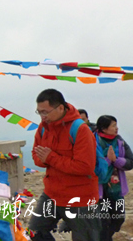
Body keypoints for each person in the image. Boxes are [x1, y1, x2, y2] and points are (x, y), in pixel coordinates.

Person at [29, 89, 101, 241]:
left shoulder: (80, 130)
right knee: (34, 232)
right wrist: (46, 158)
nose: (43, 116)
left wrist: (51, 158)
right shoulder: (43, 128)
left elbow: (85, 166)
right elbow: (36, 156)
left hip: (80, 198)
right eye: (39, 112)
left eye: (45, 112)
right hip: (52, 193)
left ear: (60, 108)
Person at [95, 115, 133, 240]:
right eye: (113, 126)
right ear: (104, 128)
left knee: (118, 218)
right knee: (103, 221)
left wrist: (116, 160)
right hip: (98, 189)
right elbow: (89, 164)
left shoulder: (119, 141)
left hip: (116, 189)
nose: (116, 128)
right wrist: (107, 161)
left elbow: (130, 162)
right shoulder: (92, 140)